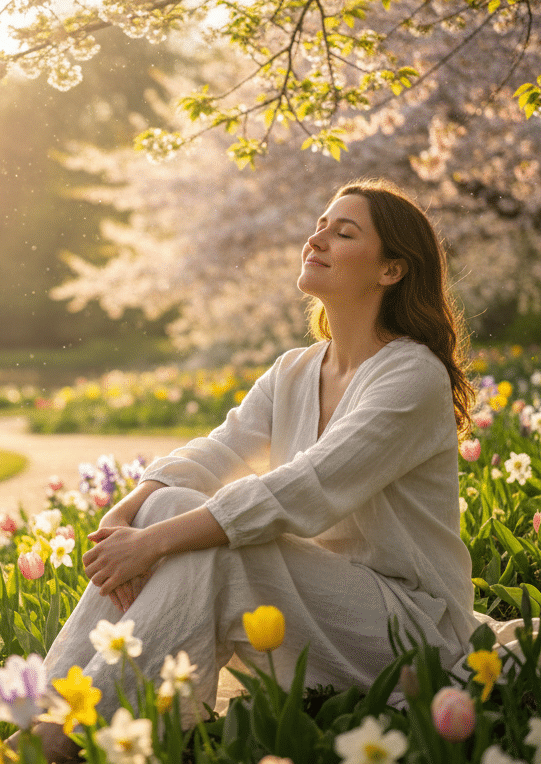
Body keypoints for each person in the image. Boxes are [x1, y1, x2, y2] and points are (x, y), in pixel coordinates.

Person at [32, 177, 479, 759]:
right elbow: (217, 450)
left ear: (391, 270)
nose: (316, 240)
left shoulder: (411, 375)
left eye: (344, 233)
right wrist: (126, 513)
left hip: (408, 632)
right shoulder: (295, 370)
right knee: (167, 503)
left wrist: (153, 545)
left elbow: (303, 488)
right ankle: (49, 712)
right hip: (313, 605)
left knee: (219, 546)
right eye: (319, 226)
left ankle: (69, 738)